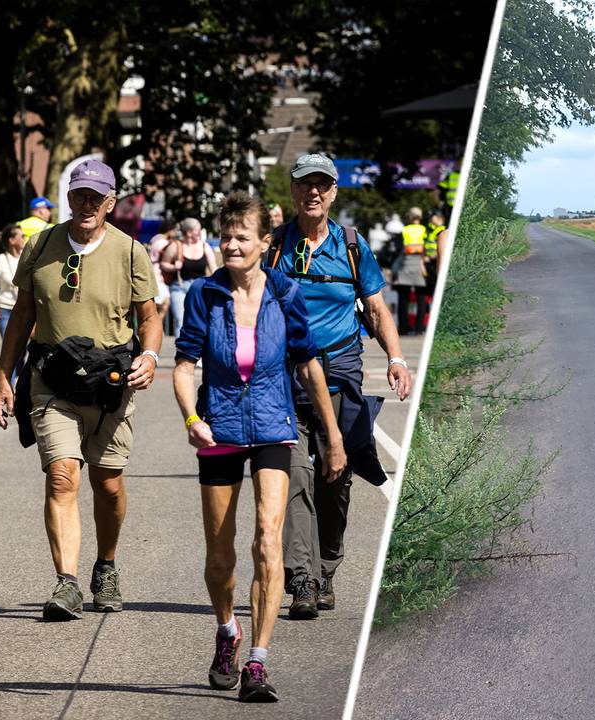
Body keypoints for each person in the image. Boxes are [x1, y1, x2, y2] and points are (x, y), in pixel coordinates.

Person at [173, 192, 346, 702]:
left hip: (274, 425)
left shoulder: (285, 294)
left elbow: (309, 365)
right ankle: (228, 632)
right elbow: (184, 366)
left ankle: (258, 662)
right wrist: (191, 417)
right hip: (220, 428)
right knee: (221, 555)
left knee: (267, 541)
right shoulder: (205, 295)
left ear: (264, 244)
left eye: (241, 238)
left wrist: (333, 436)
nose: (230, 245)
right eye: (224, 237)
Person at [0, 158, 163, 621]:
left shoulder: (130, 252)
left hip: (111, 385)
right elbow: (22, 317)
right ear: (68, 198)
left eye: (96, 198)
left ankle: (105, 566)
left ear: (110, 202)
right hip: (52, 381)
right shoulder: (40, 245)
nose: (86, 205)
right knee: (62, 474)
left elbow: (149, 319)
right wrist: (4, 377)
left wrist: (148, 357)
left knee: (107, 483)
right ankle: (66, 583)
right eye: (78, 195)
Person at [266, 152, 413, 618]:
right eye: (305, 184)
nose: (313, 192)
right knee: (294, 476)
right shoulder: (273, 247)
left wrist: (396, 358)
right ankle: (303, 579)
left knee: (336, 476)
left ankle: (327, 566)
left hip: (341, 373)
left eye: (322, 185)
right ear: (292, 191)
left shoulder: (352, 246)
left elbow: (375, 308)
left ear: (333, 193)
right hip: (285, 377)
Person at [160, 217, 218, 336]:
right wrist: (173, 267)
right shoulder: (176, 246)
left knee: (200, 320)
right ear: (189, 232)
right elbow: (163, 264)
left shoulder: (204, 246)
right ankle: (180, 352)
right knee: (180, 320)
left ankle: (197, 351)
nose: (200, 232)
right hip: (179, 287)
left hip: (200, 289)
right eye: (198, 230)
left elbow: (213, 268)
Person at [0, 224, 26, 383]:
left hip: (25, 310)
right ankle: (8, 388)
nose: (24, 238)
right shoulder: (0, 260)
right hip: (5, 311)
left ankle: (20, 384)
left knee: (21, 350)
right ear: (12, 240)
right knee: (10, 350)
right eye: (21, 236)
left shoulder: (26, 257)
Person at [393, 207, 427, 335]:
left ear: (409, 217)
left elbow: (398, 249)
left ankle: (403, 328)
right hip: (420, 265)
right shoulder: (425, 230)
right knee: (421, 298)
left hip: (405, 265)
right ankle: (419, 328)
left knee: (403, 299)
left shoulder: (404, 230)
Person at [422, 211, 448, 329]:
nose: (431, 220)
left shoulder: (441, 231)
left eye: (433, 217)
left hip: (434, 263)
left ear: (439, 218)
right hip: (429, 264)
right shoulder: (431, 231)